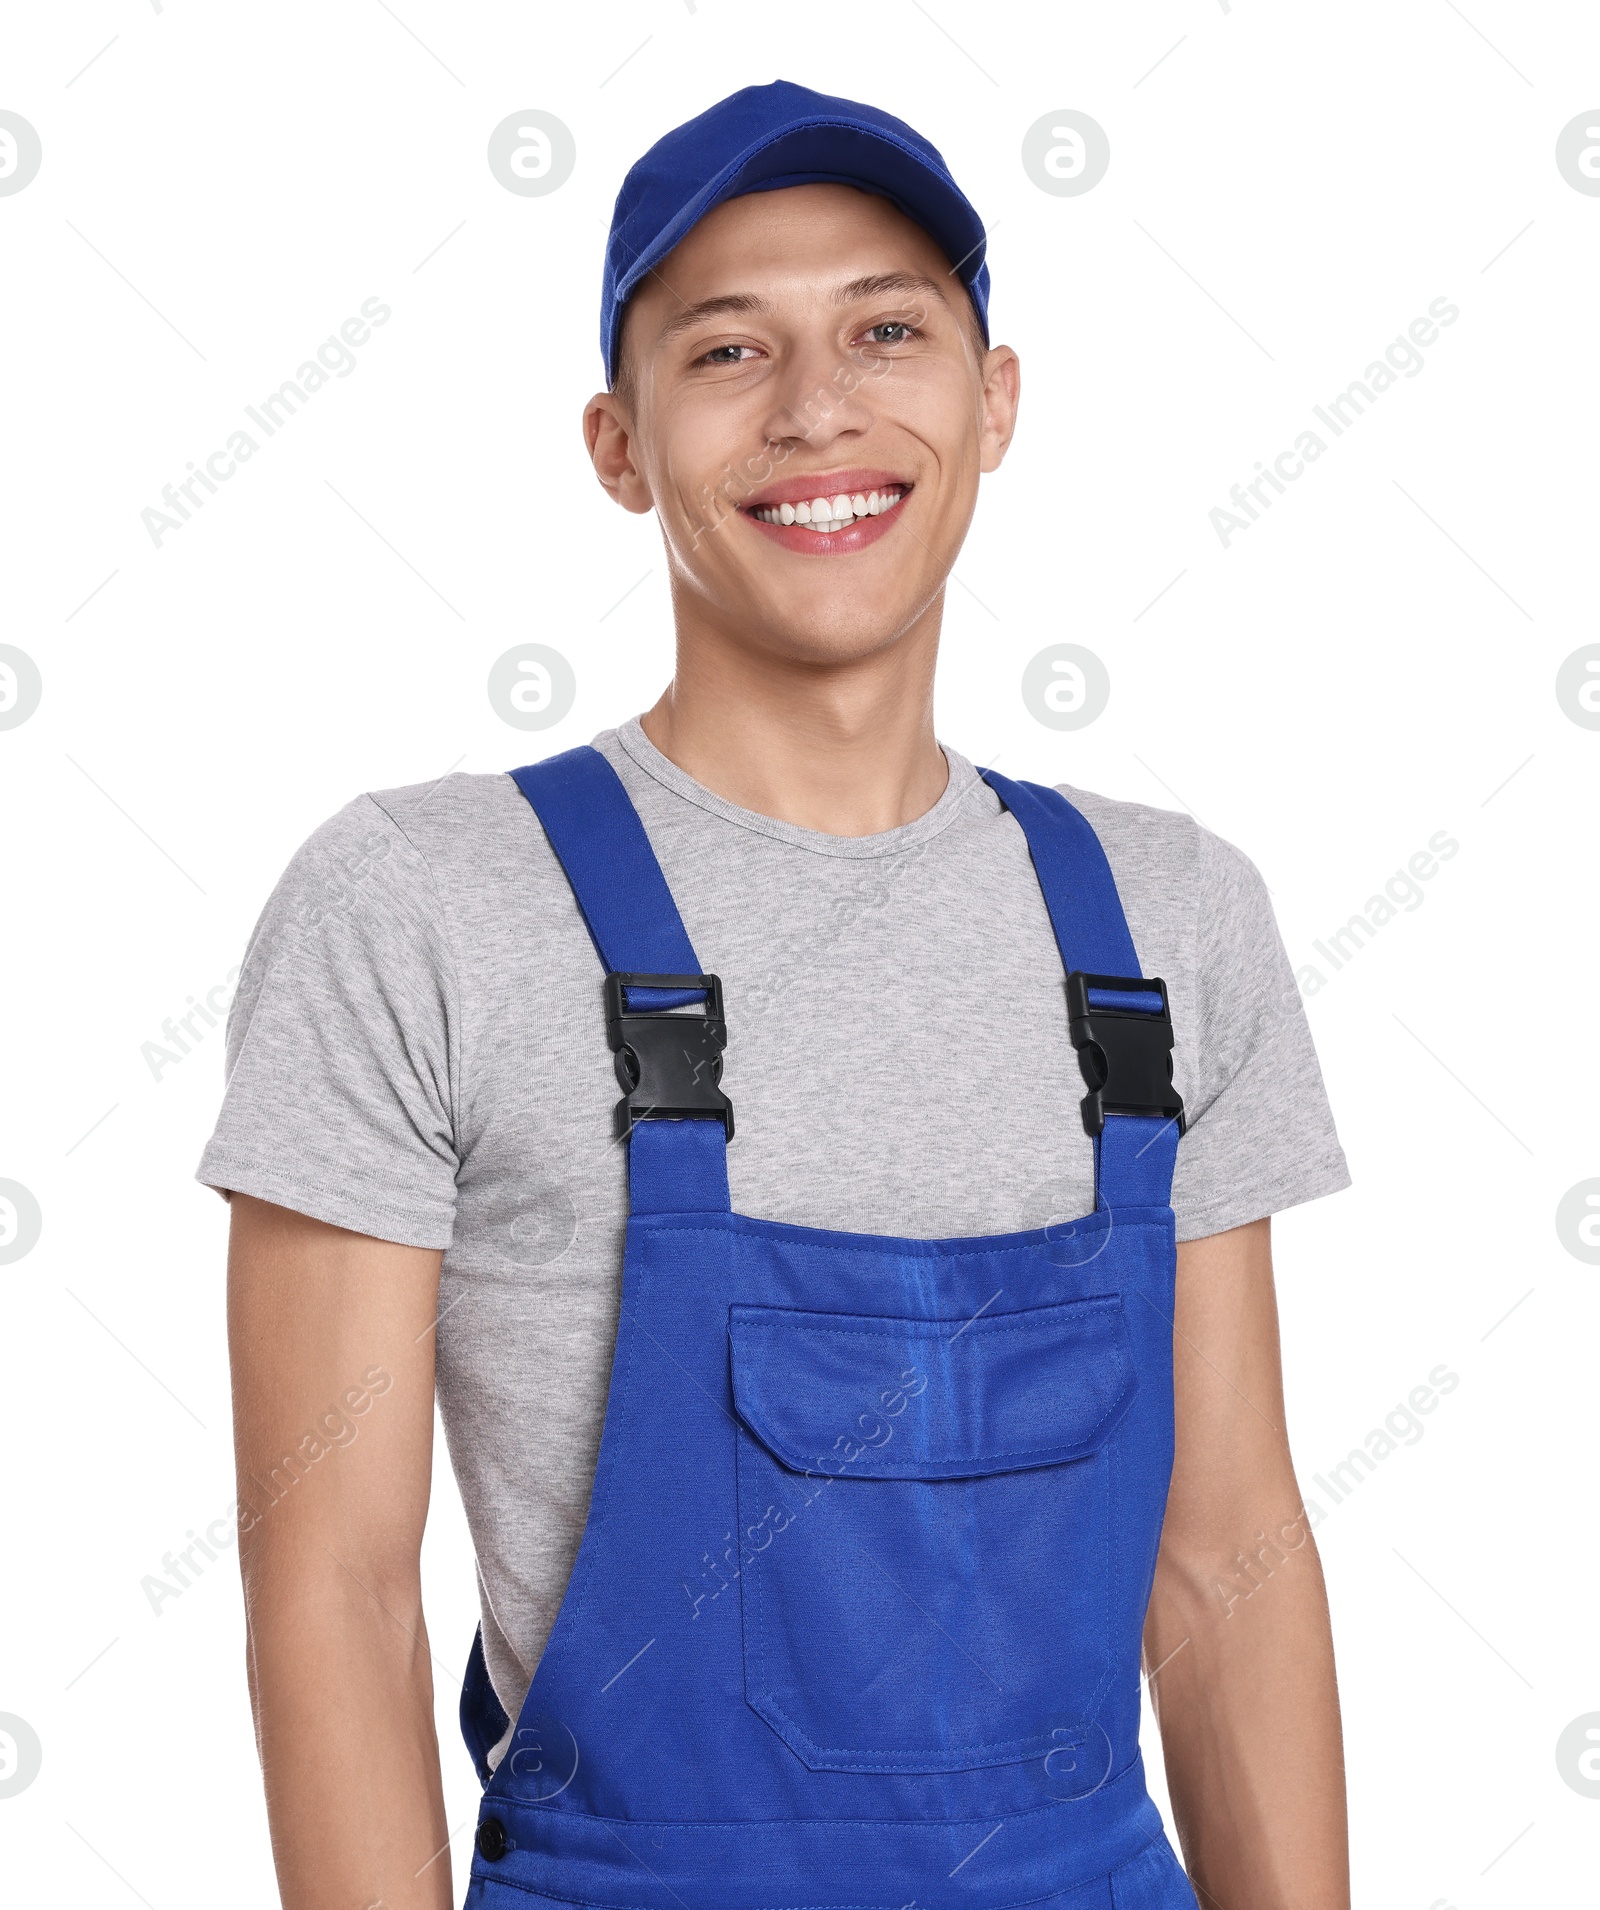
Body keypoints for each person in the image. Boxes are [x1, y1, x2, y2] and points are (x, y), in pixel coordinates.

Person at [202, 80, 1353, 1910]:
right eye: (728, 348)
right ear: (616, 441)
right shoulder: (418, 902)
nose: (820, 408)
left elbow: (1225, 1556)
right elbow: (328, 1585)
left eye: (887, 329)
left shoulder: (1168, 921)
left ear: (995, 402)